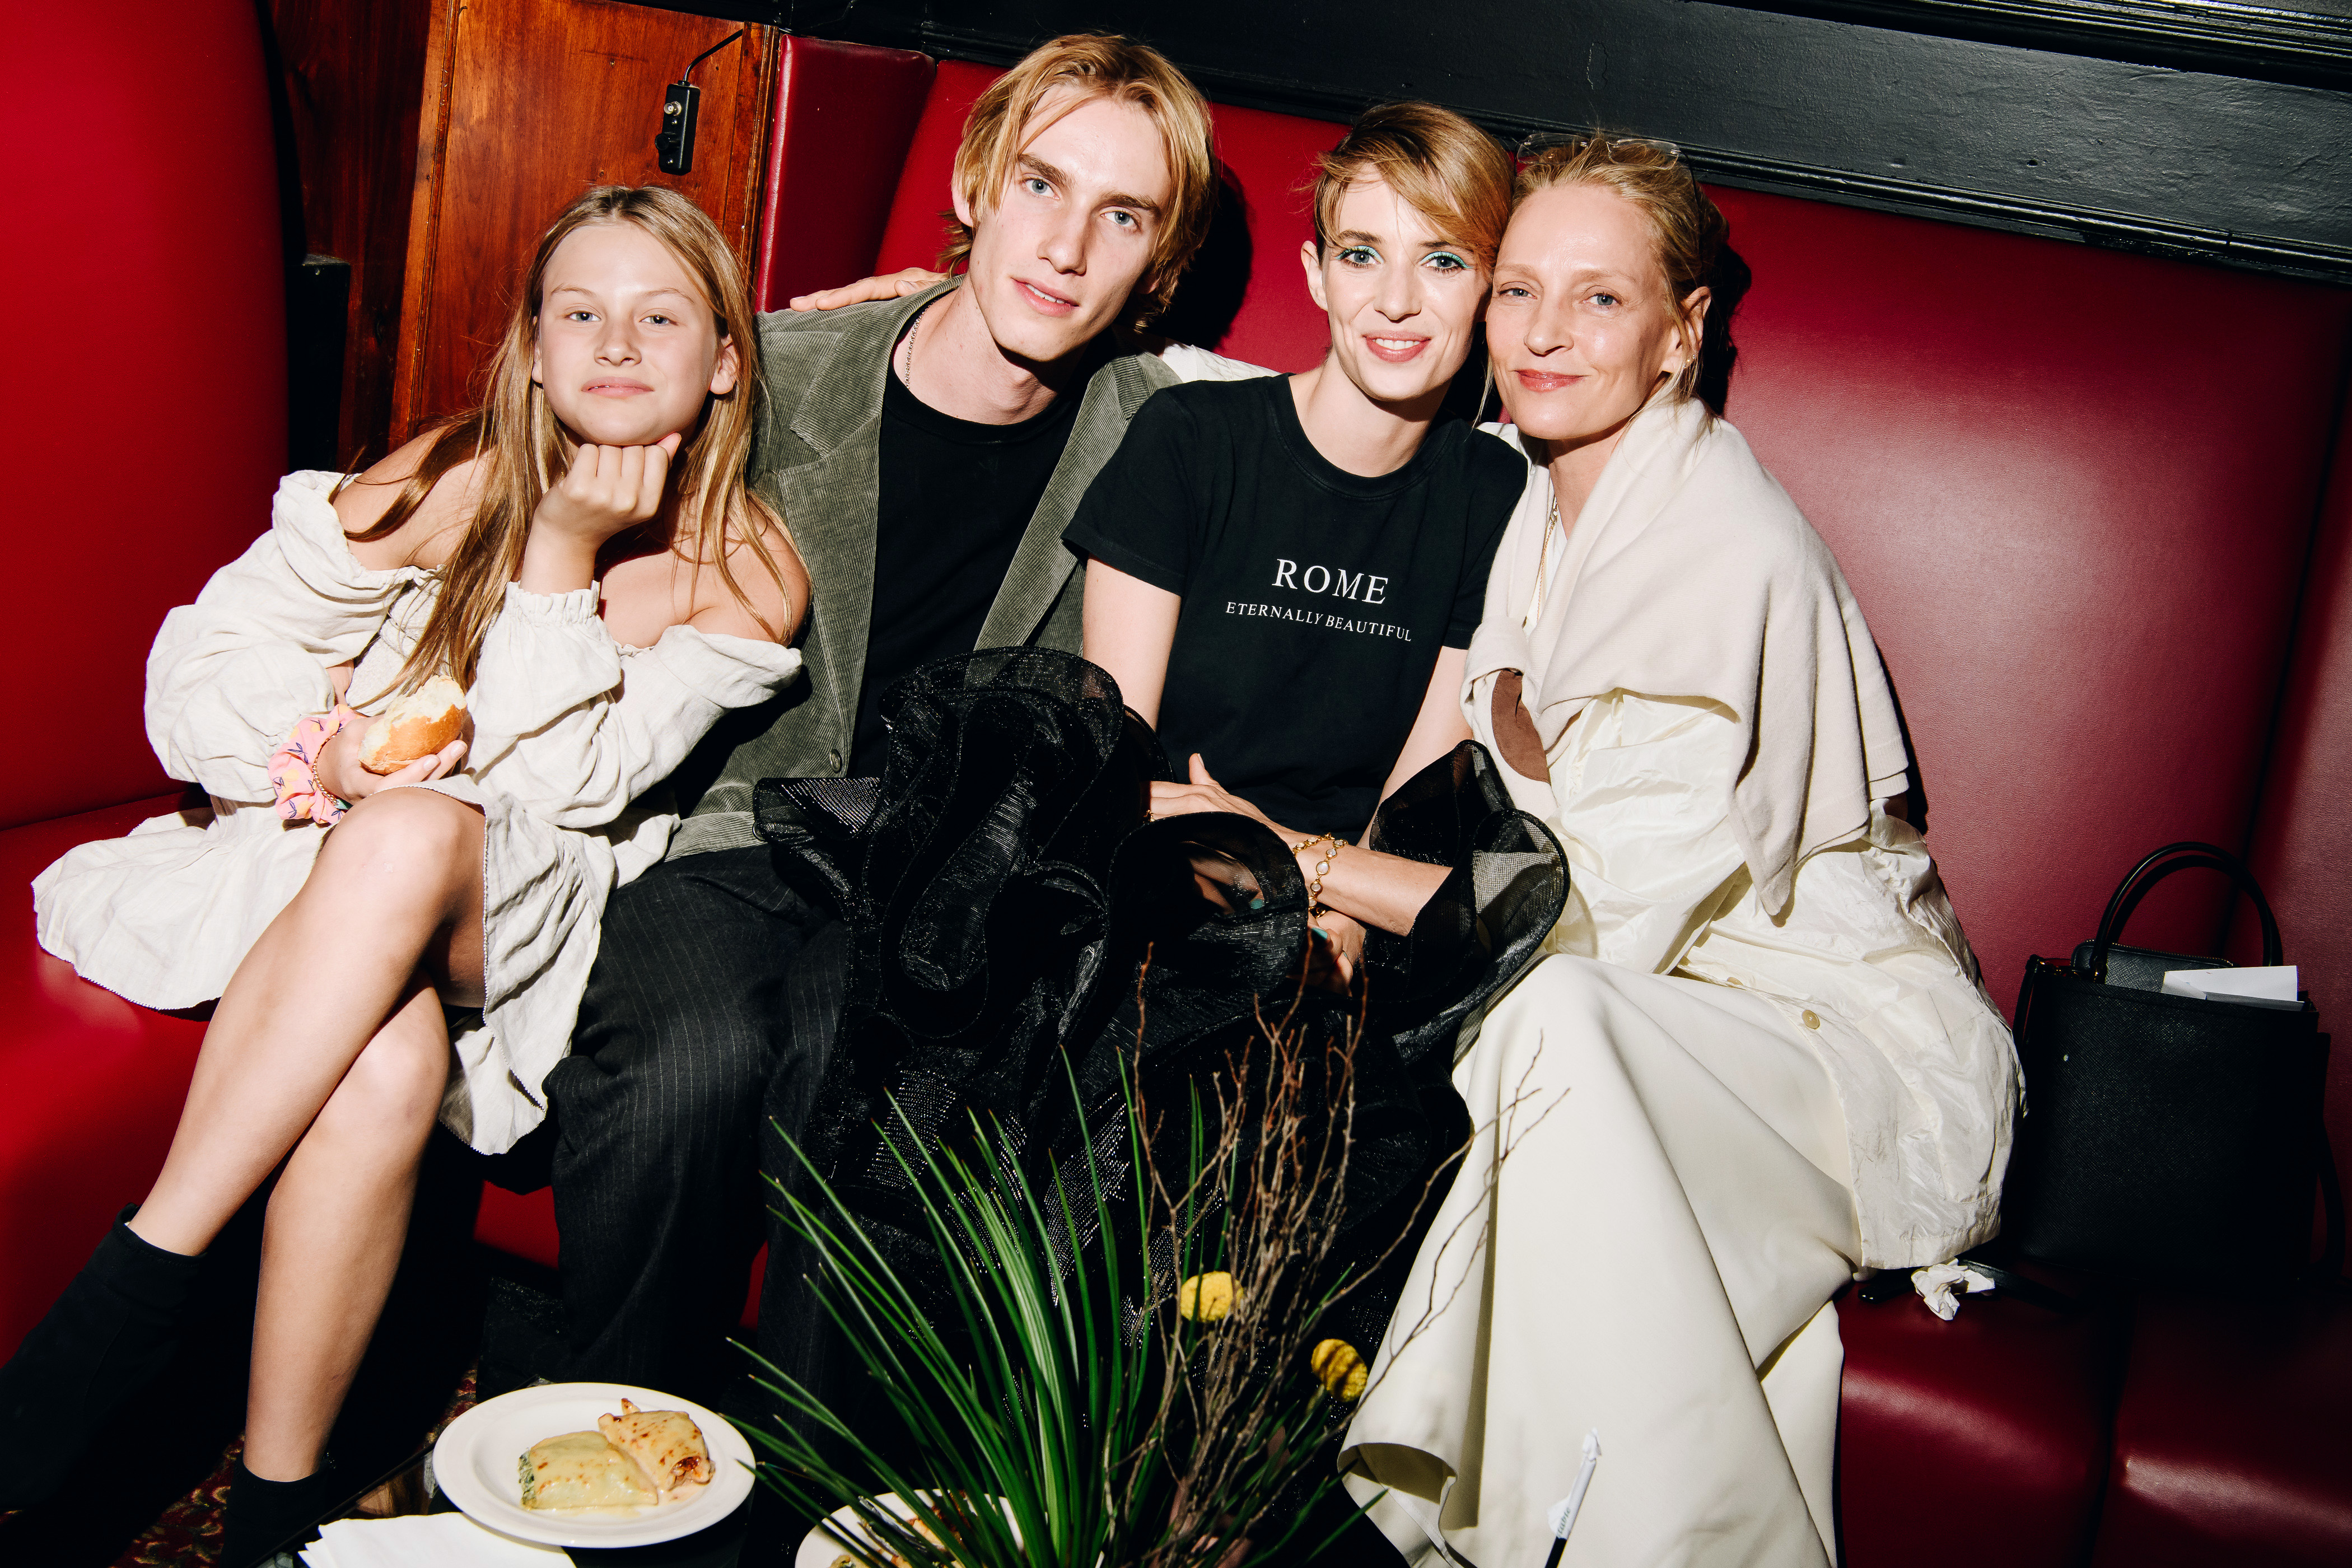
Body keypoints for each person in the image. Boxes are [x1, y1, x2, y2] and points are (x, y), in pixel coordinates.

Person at [747, 105, 1564, 1562]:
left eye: (1443, 262)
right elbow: (1101, 758)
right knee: (943, 1041)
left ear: (1491, 289)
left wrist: (1298, 881)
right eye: (1361, 254)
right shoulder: (1198, 437)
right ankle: (851, 1513)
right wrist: (1255, 864)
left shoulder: (1496, 494)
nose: (1393, 298)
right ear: (1312, 275)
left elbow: (1426, 832)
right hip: (1132, 882)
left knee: (1338, 1102)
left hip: (1321, 933)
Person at [6, 186, 806, 1563]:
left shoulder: (739, 563)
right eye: (581, 312)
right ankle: (276, 1511)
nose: (617, 344)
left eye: (662, 315)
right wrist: (322, 744)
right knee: (381, 1053)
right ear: (536, 349)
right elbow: (195, 668)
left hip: (531, 915)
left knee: (417, 828)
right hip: (324, 877)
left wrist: (556, 560)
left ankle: (131, 1290)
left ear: (726, 356)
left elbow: (564, 789)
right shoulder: (448, 477)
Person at [1326, 136, 2020, 1567]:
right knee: (1541, 1048)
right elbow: (1265, 397)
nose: (1542, 334)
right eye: (1519, 291)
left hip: (1840, 1057)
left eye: (1598, 300)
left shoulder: (1722, 542)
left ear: (1681, 333)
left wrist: (1304, 859)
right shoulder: (1547, 504)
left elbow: (1568, 921)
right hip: (1671, 1029)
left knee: (1554, 1019)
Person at [522, 34, 1225, 1407]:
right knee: (684, 1057)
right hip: (734, 835)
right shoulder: (775, 367)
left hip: (949, 881)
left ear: (1161, 258)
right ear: (974, 180)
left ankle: (807, 1512)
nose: (1067, 244)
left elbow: (1392, 419)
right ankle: (612, 1489)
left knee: (876, 1072)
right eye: (1039, 184)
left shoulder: (1174, 433)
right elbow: (512, 468)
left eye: (1123, 215)